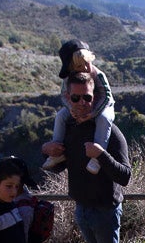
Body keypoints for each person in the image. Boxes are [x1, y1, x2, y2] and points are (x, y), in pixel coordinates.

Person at [41, 71, 131, 243]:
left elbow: (125, 176)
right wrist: (46, 150)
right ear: (67, 97)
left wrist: (101, 155)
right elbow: (60, 166)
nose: (82, 103)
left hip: (105, 208)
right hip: (82, 206)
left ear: (96, 97)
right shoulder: (70, 127)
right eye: (76, 98)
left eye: (87, 98)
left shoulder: (110, 131)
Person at [42, 40, 116, 175]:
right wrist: (71, 108)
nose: (86, 68)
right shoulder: (69, 78)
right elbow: (64, 95)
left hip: (101, 106)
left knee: (104, 119)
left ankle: (97, 157)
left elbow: (106, 97)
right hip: (78, 106)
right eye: (80, 66)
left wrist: (93, 113)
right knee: (60, 116)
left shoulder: (98, 75)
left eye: (87, 63)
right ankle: (57, 152)